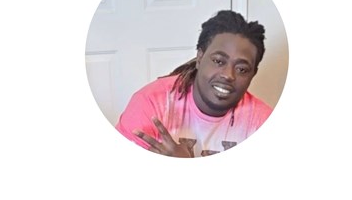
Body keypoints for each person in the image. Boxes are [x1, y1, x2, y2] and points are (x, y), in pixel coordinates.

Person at [116, 10, 273, 158]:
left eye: (242, 69)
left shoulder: (262, 120)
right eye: (218, 61)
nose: (228, 75)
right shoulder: (151, 103)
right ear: (200, 57)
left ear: (253, 74)